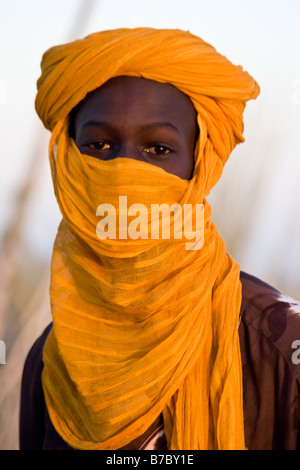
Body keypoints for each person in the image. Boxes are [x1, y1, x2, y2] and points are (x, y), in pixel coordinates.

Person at [19, 27, 300, 451]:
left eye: (158, 150)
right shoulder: (50, 365)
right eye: (99, 144)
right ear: (69, 163)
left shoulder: (278, 347)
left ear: (198, 166)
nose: (125, 172)